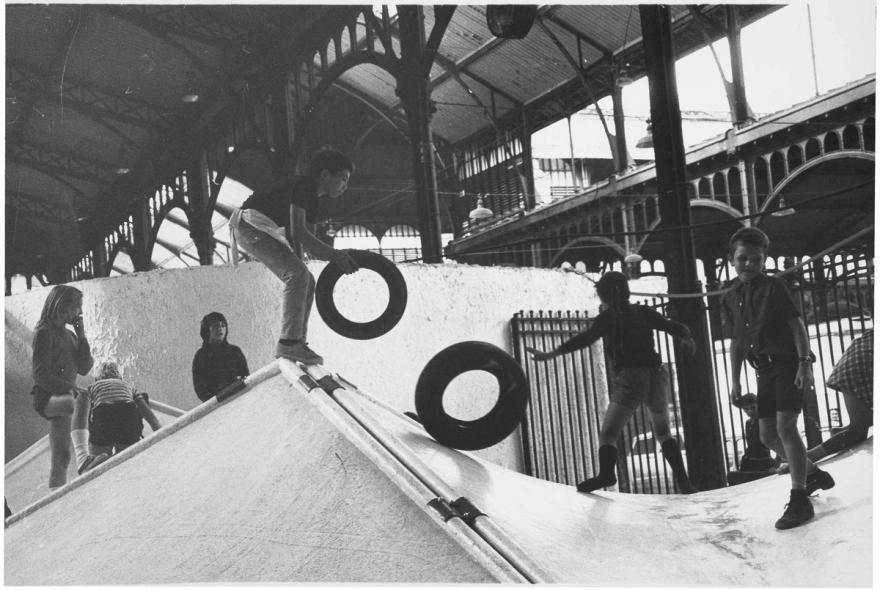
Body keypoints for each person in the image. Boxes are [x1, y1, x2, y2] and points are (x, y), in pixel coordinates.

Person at [527, 271, 699, 495]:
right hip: (656, 374)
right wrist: (689, 338)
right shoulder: (643, 311)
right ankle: (684, 483)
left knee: (609, 432)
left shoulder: (609, 317)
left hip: (631, 377)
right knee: (663, 432)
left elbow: (585, 338)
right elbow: (675, 327)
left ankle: (606, 474)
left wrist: (551, 354)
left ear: (604, 296)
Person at [722, 226, 834, 530]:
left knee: (786, 428)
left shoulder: (774, 287)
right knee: (767, 435)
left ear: (764, 260)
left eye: (756, 260)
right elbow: (736, 343)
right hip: (763, 370)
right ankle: (813, 474)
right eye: (743, 258)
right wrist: (734, 381)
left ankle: (799, 500)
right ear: (732, 258)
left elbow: (797, 326)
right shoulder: (731, 296)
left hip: (787, 364)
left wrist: (804, 364)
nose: (749, 265)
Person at [229, 149, 359, 366]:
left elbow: (306, 242)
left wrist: (333, 256)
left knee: (306, 279)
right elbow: (300, 233)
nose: (346, 186)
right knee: (297, 274)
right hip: (250, 226)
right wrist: (336, 256)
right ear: (325, 175)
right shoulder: (305, 186)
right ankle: (289, 343)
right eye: (343, 179)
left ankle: (297, 342)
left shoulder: (311, 197)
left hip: (257, 228)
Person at [30, 284, 93, 490]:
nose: (80, 312)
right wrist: (69, 389)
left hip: (66, 397)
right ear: (63, 306)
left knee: (62, 457)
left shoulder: (71, 336)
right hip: (47, 397)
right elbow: (40, 374)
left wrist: (81, 335)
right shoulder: (44, 332)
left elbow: (84, 368)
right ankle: (84, 458)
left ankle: (55, 497)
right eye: (78, 306)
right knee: (82, 399)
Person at [807, 328, 873, 462]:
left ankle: (837, 433)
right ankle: (806, 459)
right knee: (858, 431)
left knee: (861, 423)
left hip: (856, 361)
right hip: (861, 365)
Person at [85, 361, 162, 457]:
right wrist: (157, 428)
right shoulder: (127, 385)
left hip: (103, 420)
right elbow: (145, 410)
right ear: (119, 376)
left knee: (98, 455)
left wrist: (89, 438)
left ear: (96, 379)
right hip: (127, 419)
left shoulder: (93, 387)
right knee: (142, 396)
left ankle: (98, 458)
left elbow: (85, 411)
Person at [192, 312, 250, 402]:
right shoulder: (200, 357)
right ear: (207, 331)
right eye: (216, 326)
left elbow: (246, 377)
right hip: (216, 406)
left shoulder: (235, 352)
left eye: (223, 325)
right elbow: (200, 390)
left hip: (239, 400)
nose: (220, 329)